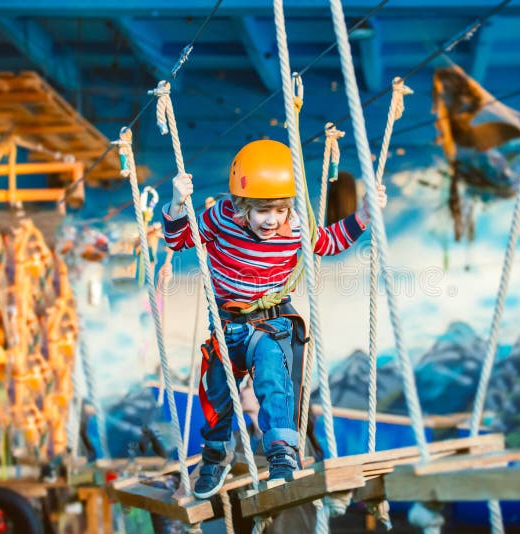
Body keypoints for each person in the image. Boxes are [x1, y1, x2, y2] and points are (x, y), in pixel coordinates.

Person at [162, 139, 386, 499]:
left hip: (269, 322)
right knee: (217, 390)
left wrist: (364, 216)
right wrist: (176, 201)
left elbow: (328, 243)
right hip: (227, 324)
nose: (272, 221)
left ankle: (282, 450)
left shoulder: (296, 229)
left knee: (272, 370)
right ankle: (216, 455)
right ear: (242, 206)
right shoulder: (221, 218)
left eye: (280, 210)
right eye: (262, 211)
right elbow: (179, 239)